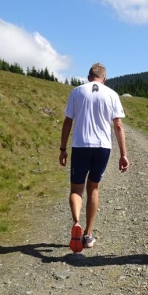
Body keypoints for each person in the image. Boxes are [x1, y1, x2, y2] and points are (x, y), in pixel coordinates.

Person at [59, 63, 129, 252]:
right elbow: (118, 125)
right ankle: (88, 235)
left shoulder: (76, 92)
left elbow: (67, 121)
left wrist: (63, 148)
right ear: (104, 78)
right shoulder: (112, 94)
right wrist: (123, 154)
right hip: (102, 147)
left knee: (76, 189)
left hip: (80, 145)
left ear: (89, 76)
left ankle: (76, 222)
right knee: (93, 188)